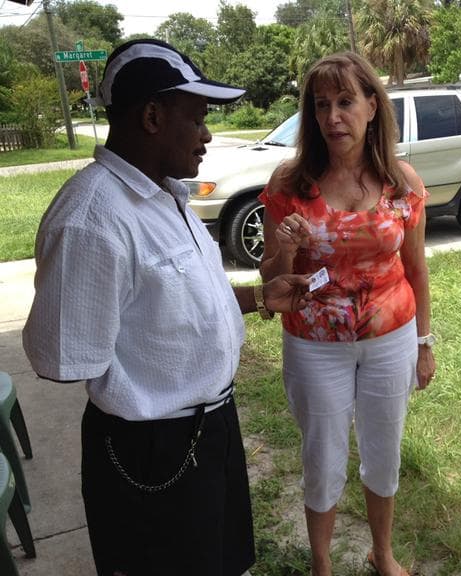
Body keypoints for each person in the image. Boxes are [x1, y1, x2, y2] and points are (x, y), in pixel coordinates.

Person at [22, 39, 312, 576]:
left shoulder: (165, 196)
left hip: (210, 427)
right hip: (151, 448)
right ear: (152, 116)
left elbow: (164, 304)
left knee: (221, 561)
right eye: (198, 118)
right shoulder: (94, 220)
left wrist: (257, 298)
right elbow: (62, 358)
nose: (207, 135)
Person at [259, 51, 435, 576]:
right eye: (320, 105)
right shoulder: (291, 183)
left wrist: (425, 344)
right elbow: (271, 280)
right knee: (323, 457)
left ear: (372, 107)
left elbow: (417, 270)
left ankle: (382, 553)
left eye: (344, 102)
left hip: (391, 337)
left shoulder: (401, 182)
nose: (333, 117)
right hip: (314, 344)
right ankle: (321, 564)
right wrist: (287, 248)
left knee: (383, 451)